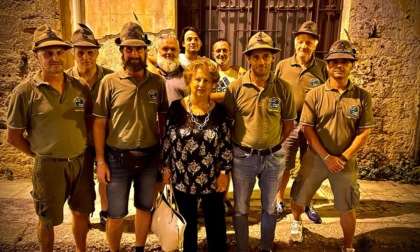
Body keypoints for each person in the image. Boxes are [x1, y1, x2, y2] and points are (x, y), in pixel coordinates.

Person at [6, 24, 95, 252]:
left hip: (80, 163)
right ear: (37, 57)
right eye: (48, 53)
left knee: (82, 212)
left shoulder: (80, 87)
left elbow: (88, 121)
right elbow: (13, 137)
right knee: (47, 219)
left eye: (59, 52)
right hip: (49, 167)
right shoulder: (25, 92)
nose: (55, 58)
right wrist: (40, 154)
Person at [289, 40, 374, 252]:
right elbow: (308, 129)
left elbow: (364, 131)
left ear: (352, 65)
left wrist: (343, 157)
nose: (339, 65)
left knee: (347, 207)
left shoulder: (362, 96)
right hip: (316, 158)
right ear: (327, 65)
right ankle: (297, 220)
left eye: (344, 61)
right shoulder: (315, 94)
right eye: (334, 61)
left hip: (345, 162)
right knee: (298, 197)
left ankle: (348, 246)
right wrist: (326, 157)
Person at [93, 22, 168, 252]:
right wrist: (101, 161)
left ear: (146, 51)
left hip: (149, 158)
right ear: (122, 52)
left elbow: (163, 120)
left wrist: (164, 159)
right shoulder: (109, 83)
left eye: (138, 49)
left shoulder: (157, 82)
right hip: (116, 159)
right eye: (129, 49)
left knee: (145, 208)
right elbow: (99, 123)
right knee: (115, 214)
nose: (134, 54)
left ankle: (139, 249)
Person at [223, 31, 296, 252]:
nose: (261, 61)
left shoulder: (283, 88)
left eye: (266, 56)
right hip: (243, 158)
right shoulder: (235, 88)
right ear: (248, 58)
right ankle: (243, 248)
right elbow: (229, 124)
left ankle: (266, 248)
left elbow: (288, 125)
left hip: (273, 158)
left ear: (273, 57)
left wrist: (272, 145)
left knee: (270, 208)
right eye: (256, 56)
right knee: (241, 209)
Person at [161, 59, 232, 252]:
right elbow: (167, 140)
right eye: (197, 79)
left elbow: (226, 145)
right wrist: (166, 168)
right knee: (187, 224)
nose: (201, 84)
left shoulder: (220, 113)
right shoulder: (176, 108)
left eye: (207, 81)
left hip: (212, 177)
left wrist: (225, 173)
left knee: (216, 224)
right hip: (182, 177)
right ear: (190, 81)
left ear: (213, 84)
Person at [274, 21, 328, 223]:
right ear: (295, 43)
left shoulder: (322, 67)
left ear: (315, 45)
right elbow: (275, 92)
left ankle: (306, 202)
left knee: (309, 166)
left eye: (309, 42)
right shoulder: (282, 65)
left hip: (313, 126)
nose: (304, 46)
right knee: (284, 164)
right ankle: (279, 200)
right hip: (288, 123)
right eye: (301, 42)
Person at [66, 23, 114, 226]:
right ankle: (83, 214)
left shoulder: (110, 77)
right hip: (80, 141)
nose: (85, 57)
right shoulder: (65, 79)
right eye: (80, 53)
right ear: (74, 55)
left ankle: (106, 211)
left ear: (97, 54)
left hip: (107, 138)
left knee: (107, 178)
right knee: (81, 183)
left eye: (90, 52)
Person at [210, 38, 246, 103]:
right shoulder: (209, 74)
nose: (221, 54)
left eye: (224, 50)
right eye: (218, 51)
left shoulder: (239, 74)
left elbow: (243, 96)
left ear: (230, 53)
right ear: (213, 55)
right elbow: (206, 96)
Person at [154, 33, 187, 105]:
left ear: (178, 51)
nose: (169, 52)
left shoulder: (187, 76)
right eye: (165, 49)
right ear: (157, 51)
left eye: (173, 49)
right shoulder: (149, 74)